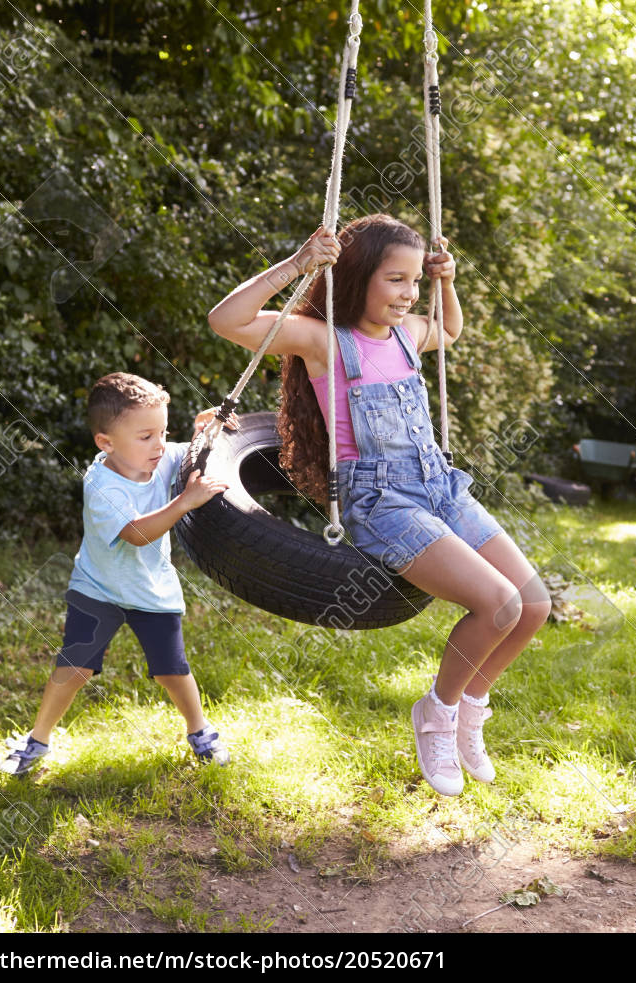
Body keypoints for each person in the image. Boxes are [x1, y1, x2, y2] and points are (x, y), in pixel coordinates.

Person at [208, 214, 550, 796]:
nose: (408, 294)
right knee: (497, 603)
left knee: (534, 604)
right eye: (396, 280)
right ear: (358, 276)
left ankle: (470, 706)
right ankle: (435, 714)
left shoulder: (406, 333)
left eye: (414, 282)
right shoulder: (323, 342)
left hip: (438, 484)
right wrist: (297, 265)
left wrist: (446, 283)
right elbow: (226, 320)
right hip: (381, 498)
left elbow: (449, 330)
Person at [0, 372, 234, 775]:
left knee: (172, 670)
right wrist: (184, 503)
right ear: (106, 442)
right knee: (74, 666)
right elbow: (136, 533)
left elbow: (195, 451)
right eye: (145, 436)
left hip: (152, 591)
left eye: (163, 431)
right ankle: (36, 740)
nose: (159, 444)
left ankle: (199, 731)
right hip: (98, 589)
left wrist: (205, 427)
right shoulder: (101, 484)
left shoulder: (161, 457)